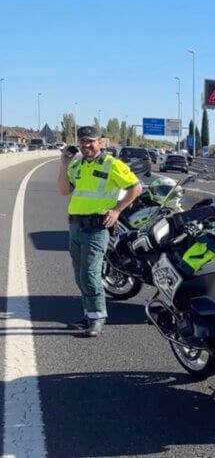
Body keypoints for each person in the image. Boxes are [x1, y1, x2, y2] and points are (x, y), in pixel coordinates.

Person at [57, 126, 142, 337]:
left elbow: (136, 187)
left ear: (101, 142)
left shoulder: (112, 164)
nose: (86, 145)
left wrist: (117, 210)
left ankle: (98, 318)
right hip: (76, 225)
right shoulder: (77, 164)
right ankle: (89, 314)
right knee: (79, 275)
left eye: (91, 141)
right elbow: (64, 190)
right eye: (82, 141)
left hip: (97, 227)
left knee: (90, 274)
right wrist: (64, 164)